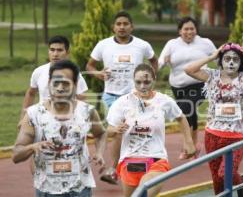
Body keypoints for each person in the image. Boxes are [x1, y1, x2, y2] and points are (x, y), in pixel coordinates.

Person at [184, 43, 243, 196]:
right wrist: (212, 56)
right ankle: (238, 184)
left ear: (240, 62)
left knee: (225, 174)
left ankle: (242, 181)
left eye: (236, 59)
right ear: (221, 60)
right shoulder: (212, 75)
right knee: (218, 182)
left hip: (236, 137)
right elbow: (189, 70)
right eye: (227, 59)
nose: (231, 62)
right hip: (213, 135)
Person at [12, 60, 107, 197]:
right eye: (56, 83)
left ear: (75, 85)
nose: (60, 88)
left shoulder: (87, 111)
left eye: (66, 83)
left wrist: (99, 152)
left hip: (80, 188)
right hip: (47, 189)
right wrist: (33, 147)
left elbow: (101, 134)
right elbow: (16, 154)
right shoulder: (34, 114)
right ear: (49, 83)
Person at [86, 11, 158, 184]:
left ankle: (139, 165)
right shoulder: (103, 45)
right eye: (118, 24)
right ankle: (114, 169)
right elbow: (89, 65)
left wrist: (150, 78)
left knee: (136, 131)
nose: (122, 27)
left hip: (136, 96)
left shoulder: (142, 45)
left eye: (125, 24)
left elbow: (154, 61)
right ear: (113, 27)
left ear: (131, 26)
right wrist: (99, 74)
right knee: (117, 133)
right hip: (111, 96)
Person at [107, 64, 196, 197]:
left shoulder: (164, 100)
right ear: (133, 80)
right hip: (129, 161)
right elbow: (108, 131)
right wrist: (115, 129)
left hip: (156, 159)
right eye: (138, 82)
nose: (143, 86)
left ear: (154, 79)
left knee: (143, 191)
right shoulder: (122, 102)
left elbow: (181, 117)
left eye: (147, 82)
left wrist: (188, 141)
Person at [158, 16, 216, 159]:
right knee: (190, 113)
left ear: (196, 30)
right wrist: (164, 62)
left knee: (185, 109)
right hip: (178, 86)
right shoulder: (172, 44)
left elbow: (218, 57)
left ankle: (187, 146)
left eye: (192, 29)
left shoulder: (205, 43)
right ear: (179, 31)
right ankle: (194, 146)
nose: (189, 32)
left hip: (201, 84)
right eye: (186, 29)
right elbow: (159, 63)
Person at [19, 35, 88, 128]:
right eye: (52, 50)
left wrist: (80, 121)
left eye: (60, 50)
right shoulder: (38, 72)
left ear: (67, 53)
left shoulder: (74, 74)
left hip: (66, 122)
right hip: (41, 121)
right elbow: (31, 93)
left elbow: (82, 98)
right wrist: (23, 118)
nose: (55, 54)